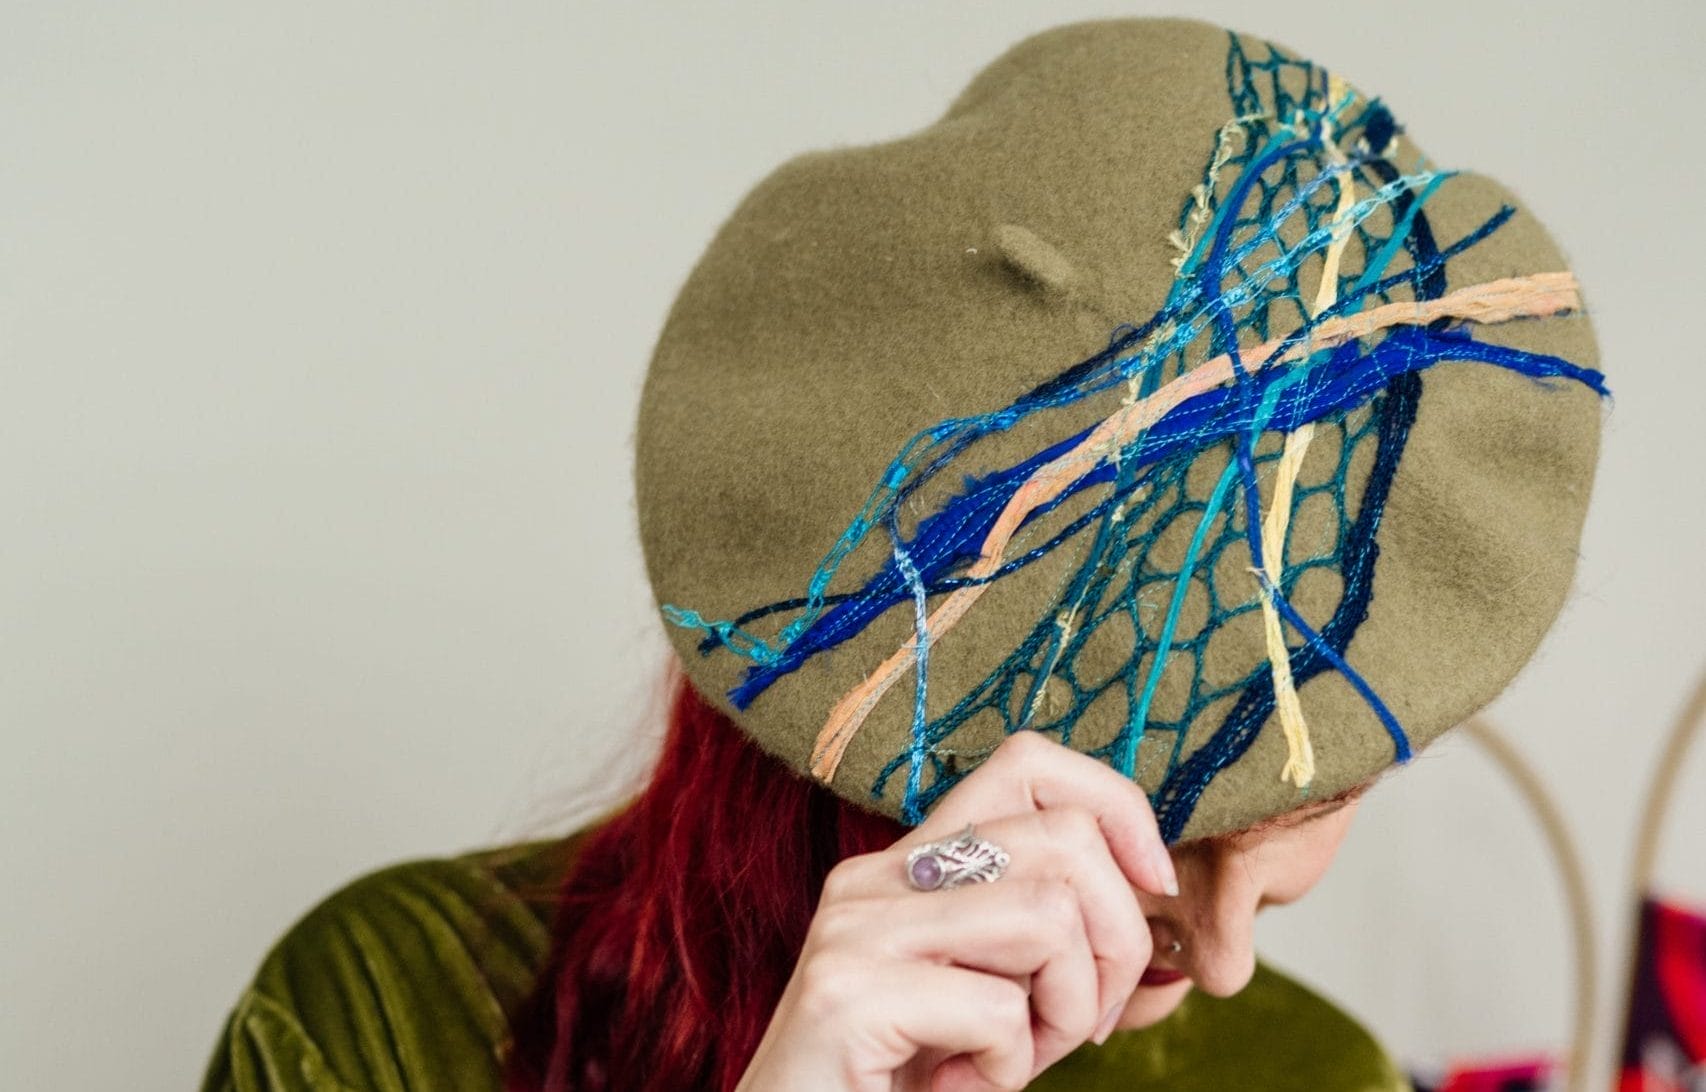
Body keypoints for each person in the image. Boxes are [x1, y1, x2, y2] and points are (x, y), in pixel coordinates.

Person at [200, 14, 1607, 1091]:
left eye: (1308, 795)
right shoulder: (384, 1013)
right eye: (1175, 825)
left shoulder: (1311, 1077)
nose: (1228, 963)